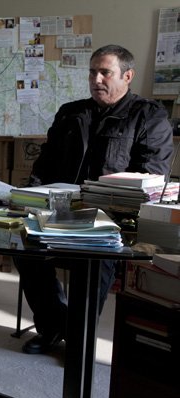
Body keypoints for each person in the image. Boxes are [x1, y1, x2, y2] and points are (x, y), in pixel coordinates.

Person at [14, 44, 174, 355]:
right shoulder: (70, 113)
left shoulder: (149, 116)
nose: (96, 79)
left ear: (127, 76)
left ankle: (78, 338)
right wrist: (28, 199)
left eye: (105, 73)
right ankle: (54, 326)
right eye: (92, 72)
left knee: (95, 259)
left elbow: (151, 177)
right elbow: (44, 164)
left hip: (112, 220)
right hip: (61, 211)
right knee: (23, 246)